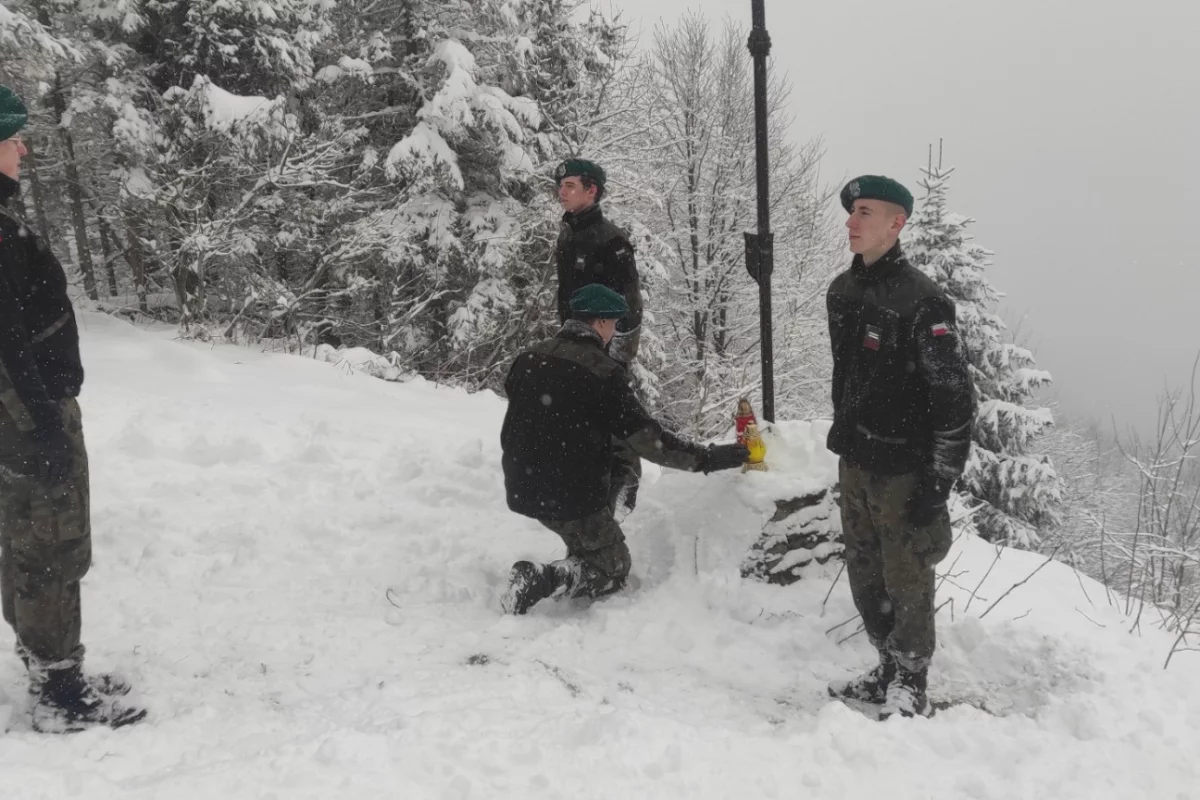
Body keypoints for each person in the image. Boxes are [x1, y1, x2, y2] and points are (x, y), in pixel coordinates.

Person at [0, 84, 146, 733]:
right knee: (51, 548)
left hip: (24, 416)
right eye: (12, 137)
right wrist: (43, 428)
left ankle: (49, 668)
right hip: (25, 420)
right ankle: (59, 696)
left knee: (29, 546)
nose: (22, 146)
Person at [824, 175, 975, 719]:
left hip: (904, 469)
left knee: (907, 571)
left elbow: (954, 400)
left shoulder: (924, 301)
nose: (852, 221)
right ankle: (885, 666)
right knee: (865, 568)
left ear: (897, 222)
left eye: (865, 212)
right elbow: (847, 377)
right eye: (851, 212)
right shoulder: (843, 291)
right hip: (856, 461)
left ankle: (911, 678)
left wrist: (938, 481)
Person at [500, 284, 747, 615]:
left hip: (522, 485)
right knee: (613, 568)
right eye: (614, 323)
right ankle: (543, 579)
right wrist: (710, 458)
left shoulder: (528, 358)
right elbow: (650, 442)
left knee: (588, 533)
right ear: (600, 322)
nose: (615, 331)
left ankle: (579, 550)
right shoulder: (602, 373)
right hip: (568, 497)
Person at [553, 158, 644, 519]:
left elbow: (631, 303)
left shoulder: (611, 239)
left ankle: (624, 487)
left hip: (606, 345)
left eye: (570, 185)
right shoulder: (568, 233)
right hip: (574, 337)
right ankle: (589, 483)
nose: (561, 192)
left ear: (593, 191)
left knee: (613, 411)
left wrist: (618, 357)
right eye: (560, 185)